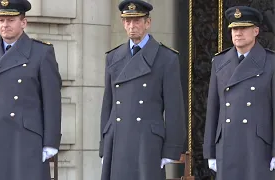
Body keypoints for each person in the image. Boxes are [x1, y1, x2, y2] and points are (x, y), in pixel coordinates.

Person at [0, 0, 62, 179]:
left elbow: (52, 101)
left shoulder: (41, 52)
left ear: (23, 22)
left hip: (25, 139)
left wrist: (51, 142)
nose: (5, 25)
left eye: (10, 20)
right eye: (1, 20)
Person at [99, 0, 186, 179]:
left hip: (147, 141)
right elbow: (108, 104)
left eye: (137, 21)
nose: (132, 26)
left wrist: (171, 149)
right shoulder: (113, 57)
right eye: (127, 21)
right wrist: (104, 144)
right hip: (117, 139)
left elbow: (174, 108)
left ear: (148, 23)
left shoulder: (166, 58)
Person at [203, 6, 275, 180]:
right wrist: (210, 151)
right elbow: (213, 109)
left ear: (256, 31)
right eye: (234, 28)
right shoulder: (219, 62)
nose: (238, 33)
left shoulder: (271, 62)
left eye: (243, 28)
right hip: (227, 145)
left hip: (257, 147)